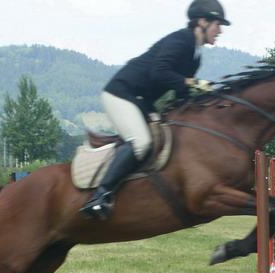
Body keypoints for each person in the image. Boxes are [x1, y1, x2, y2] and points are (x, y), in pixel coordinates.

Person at [79, 0, 230, 220]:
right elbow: (159, 73)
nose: (220, 31)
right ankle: (99, 197)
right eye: (218, 24)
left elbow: (181, 94)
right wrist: (191, 82)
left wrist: (208, 104)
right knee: (141, 143)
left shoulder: (195, 55)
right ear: (202, 22)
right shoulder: (181, 40)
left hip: (141, 101)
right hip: (121, 93)